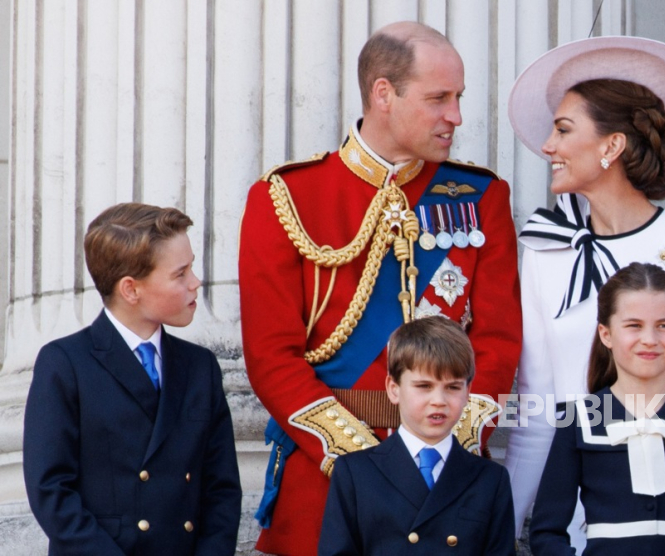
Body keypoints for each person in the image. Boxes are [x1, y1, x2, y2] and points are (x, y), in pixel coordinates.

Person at [238, 21, 522, 555]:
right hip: (325, 482)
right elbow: (271, 357)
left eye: (459, 97)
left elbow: (499, 342)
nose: (456, 116)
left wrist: (445, 446)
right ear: (383, 94)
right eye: (439, 98)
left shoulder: (481, 196)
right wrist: (362, 463)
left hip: (446, 478)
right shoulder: (286, 197)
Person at [503, 36, 665, 543]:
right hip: (576, 530)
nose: (548, 146)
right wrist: (500, 533)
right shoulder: (545, 251)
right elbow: (536, 412)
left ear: (611, 146)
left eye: (564, 130)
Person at [23, 203, 242, 555]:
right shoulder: (65, 363)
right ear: (131, 289)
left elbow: (222, 490)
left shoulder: (200, 367)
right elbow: (51, 491)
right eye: (180, 273)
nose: (196, 282)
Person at [529, 262, 665, 555]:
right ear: (606, 334)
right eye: (634, 326)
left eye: (664, 326)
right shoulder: (578, 420)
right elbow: (546, 532)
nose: (650, 339)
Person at [318, 316, 516, 554]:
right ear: (394, 389)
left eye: (453, 387)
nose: (439, 401)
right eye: (424, 387)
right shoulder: (355, 472)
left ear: (468, 393)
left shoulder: (490, 480)